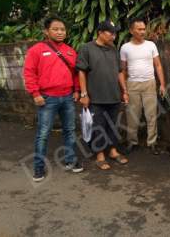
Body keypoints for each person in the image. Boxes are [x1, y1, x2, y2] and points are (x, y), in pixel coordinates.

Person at [23, 16, 84, 182]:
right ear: (46, 31)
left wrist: (77, 90)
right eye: (55, 29)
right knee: (43, 134)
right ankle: (39, 168)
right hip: (47, 98)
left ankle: (70, 160)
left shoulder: (70, 51)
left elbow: (76, 74)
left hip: (68, 97)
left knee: (70, 130)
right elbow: (29, 73)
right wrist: (35, 93)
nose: (59, 32)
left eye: (62, 29)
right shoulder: (36, 50)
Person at [76, 20, 129, 170]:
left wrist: (124, 91)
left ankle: (112, 151)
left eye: (115, 33)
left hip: (113, 95)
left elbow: (120, 72)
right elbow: (81, 72)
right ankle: (99, 154)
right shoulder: (87, 48)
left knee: (112, 125)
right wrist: (84, 94)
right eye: (110, 33)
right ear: (100, 32)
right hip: (95, 97)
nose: (113, 36)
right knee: (98, 126)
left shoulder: (113, 50)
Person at [120, 18, 166, 155]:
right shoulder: (125, 48)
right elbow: (122, 70)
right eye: (139, 29)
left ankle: (152, 143)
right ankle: (132, 142)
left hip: (149, 83)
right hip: (132, 84)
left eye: (143, 29)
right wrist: (124, 89)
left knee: (151, 115)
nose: (142, 31)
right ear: (131, 30)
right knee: (132, 115)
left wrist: (162, 84)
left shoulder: (151, 45)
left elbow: (157, 65)